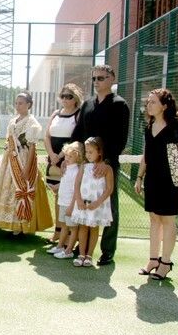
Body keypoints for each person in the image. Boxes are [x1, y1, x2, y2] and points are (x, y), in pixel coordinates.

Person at [71, 64, 130, 265]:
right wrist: (68, 158)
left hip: (107, 166)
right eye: (94, 78)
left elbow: (121, 139)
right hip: (86, 166)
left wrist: (106, 162)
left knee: (109, 207)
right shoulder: (87, 104)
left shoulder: (120, 105)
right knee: (84, 203)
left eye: (101, 78)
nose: (96, 82)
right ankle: (82, 249)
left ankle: (107, 251)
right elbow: (78, 134)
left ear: (112, 79)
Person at [135, 89, 178, 281]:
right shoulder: (149, 126)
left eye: (153, 102)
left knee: (168, 220)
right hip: (152, 179)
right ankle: (153, 260)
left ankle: (166, 263)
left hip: (172, 180)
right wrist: (139, 177)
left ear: (165, 106)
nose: (148, 105)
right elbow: (146, 154)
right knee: (154, 219)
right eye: (148, 102)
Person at [0, 92, 53, 234]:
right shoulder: (13, 121)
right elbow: (9, 140)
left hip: (23, 158)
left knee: (21, 187)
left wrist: (27, 168)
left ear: (29, 104)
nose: (18, 106)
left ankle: (20, 225)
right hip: (10, 159)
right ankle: (10, 223)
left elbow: (32, 147)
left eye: (21, 103)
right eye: (16, 103)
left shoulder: (32, 124)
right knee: (9, 189)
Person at [44, 83, 82, 243]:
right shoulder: (55, 114)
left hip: (69, 162)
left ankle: (70, 236)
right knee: (57, 197)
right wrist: (52, 155)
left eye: (69, 96)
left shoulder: (78, 115)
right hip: (53, 161)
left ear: (76, 98)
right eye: (63, 96)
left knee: (68, 196)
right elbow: (46, 136)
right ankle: (58, 232)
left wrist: (60, 156)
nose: (65, 99)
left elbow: (76, 139)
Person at [71, 137, 114, 267]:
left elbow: (109, 189)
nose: (88, 155)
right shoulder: (84, 167)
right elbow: (77, 184)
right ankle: (81, 254)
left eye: (91, 152)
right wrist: (78, 199)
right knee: (83, 227)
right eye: (86, 152)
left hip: (97, 205)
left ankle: (89, 255)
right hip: (83, 204)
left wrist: (97, 202)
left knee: (94, 228)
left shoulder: (107, 168)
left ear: (99, 152)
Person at [49, 141, 85, 259]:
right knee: (64, 225)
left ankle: (69, 250)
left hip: (70, 204)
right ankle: (60, 246)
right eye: (66, 156)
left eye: (70, 156)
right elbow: (65, 183)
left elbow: (76, 190)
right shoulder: (66, 168)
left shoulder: (77, 171)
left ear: (78, 157)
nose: (67, 158)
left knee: (73, 228)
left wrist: (71, 206)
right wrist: (56, 187)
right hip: (63, 202)